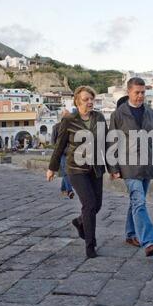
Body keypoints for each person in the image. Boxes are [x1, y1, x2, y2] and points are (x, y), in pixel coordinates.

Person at [47, 86, 108, 259]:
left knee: (97, 206)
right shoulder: (68, 120)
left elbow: (107, 144)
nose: (89, 102)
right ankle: (90, 245)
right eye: (85, 99)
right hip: (76, 169)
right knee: (89, 205)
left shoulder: (100, 117)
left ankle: (80, 221)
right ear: (77, 101)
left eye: (91, 99)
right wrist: (52, 168)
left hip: (95, 168)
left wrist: (113, 168)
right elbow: (59, 146)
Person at [109, 78, 153, 257]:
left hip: (147, 166)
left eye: (143, 93)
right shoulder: (118, 115)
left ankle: (131, 234)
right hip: (129, 166)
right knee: (139, 202)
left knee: (136, 202)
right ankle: (148, 242)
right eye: (137, 92)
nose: (140, 96)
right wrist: (113, 167)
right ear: (129, 92)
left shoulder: (151, 113)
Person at [51, 109, 75, 199]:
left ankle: (63, 188)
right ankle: (70, 190)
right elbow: (54, 142)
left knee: (67, 172)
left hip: (71, 153)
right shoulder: (56, 127)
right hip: (64, 153)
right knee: (66, 172)